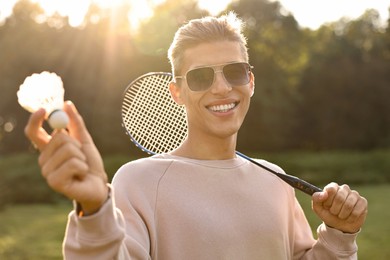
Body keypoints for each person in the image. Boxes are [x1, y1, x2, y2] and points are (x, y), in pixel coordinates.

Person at [25, 13, 368, 259]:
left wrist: (339, 236)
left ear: (250, 82)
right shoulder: (138, 181)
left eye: (234, 72)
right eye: (201, 77)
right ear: (177, 92)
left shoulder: (276, 180)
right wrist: (94, 209)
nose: (221, 87)